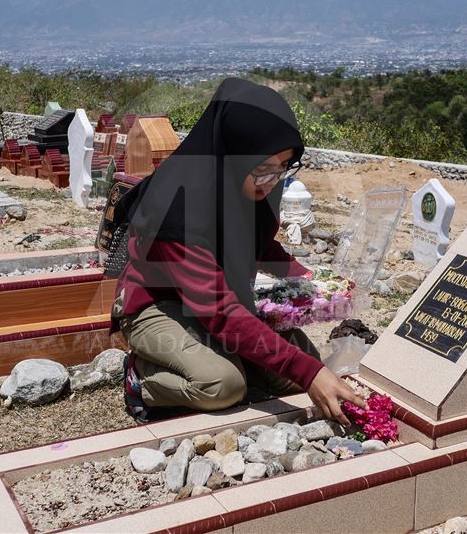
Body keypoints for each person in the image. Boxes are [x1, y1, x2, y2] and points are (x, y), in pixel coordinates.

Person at [110, 77, 364, 424]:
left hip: (214, 296)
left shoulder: (243, 184)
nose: (271, 181)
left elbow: (259, 244)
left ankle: (233, 358)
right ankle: (141, 379)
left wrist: (309, 279)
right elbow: (221, 312)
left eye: (282, 168)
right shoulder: (179, 207)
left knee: (296, 365)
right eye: (262, 170)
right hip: (157, 303)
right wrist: (309, 373)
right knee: (222, 384)